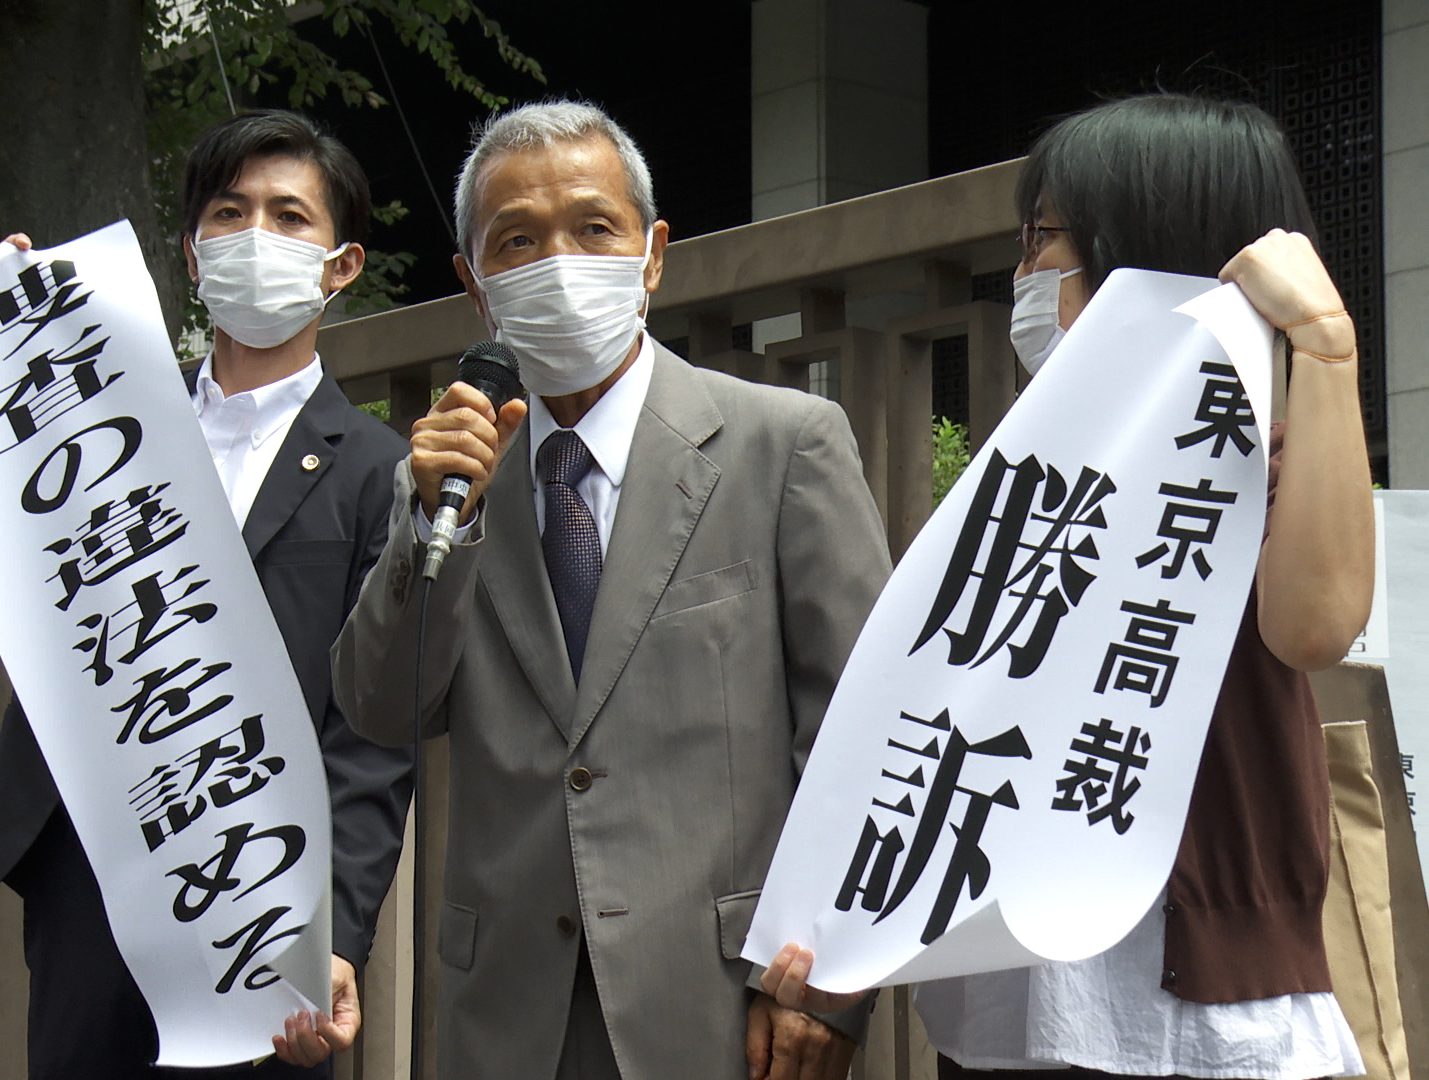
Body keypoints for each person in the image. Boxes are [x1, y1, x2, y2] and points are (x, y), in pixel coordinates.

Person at [762, 93, 1377, 1080]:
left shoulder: (1258, 450)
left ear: (1143, 245)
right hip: (1009, 1007)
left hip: (1199, 1016)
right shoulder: (1032, 470)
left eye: (1045, 238)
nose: (1025, 275)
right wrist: (841, 969)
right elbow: (933, 717)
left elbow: (1318, 625)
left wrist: (1327, 351)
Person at [0, 109, 415, 1079]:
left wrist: (339, 932)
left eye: (289, 217)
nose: (255, 239)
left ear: (342, 264)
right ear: (192, 256)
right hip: (91, 866)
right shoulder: (90, 418)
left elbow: (371, 736)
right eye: (229, 215)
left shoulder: (376, 473)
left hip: (260, 896)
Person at [329, 100, 891, 1080]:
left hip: (727, 1006)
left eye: (594, 228)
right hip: (505, 1013)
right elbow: (382, 707)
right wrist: (431, 524)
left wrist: (832, 985)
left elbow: (870, 734)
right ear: (475, 284)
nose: (559, 260)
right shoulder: (449, 478)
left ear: (652, 253)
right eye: (517, 240)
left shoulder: (782, 443)